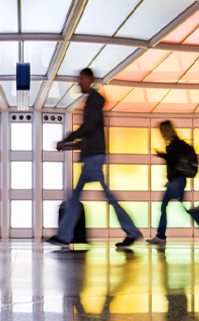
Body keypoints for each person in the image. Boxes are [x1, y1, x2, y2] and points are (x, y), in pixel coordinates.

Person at [48, 68, 143, 249]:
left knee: (79, 198)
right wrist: (68, 146)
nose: (78, 83)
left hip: (94, 158)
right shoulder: (92, 102)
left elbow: (88, 127)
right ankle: (131, 231)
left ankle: (64, 236)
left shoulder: (93, 101)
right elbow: (89, 136)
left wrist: (67, 139)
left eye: (81, 79)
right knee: (94, 197)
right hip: (93, 156)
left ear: (89, 79)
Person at [147, 121, 199, 246]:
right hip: (175, 181)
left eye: (163, 131)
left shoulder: (175, 145)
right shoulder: (177, 144)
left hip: (176, 181)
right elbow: (175, 160)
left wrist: (165, 155)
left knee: (176, 207)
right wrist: (164, 155)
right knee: (169, 207)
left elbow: (174, 161)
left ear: (168, 130)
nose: (162, 134)